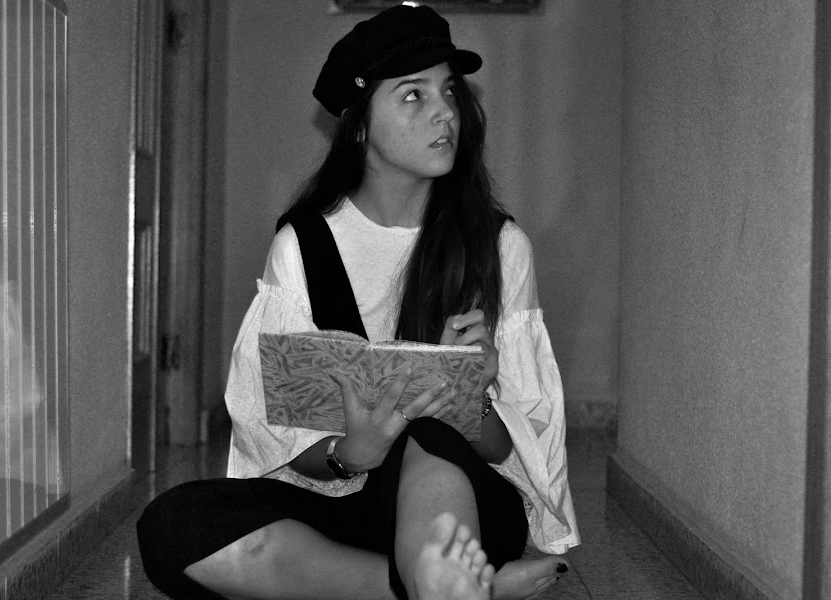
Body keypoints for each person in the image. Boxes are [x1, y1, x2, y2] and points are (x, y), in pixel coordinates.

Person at [137, 5, 579, 600]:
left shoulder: (499, 248)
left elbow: (520, 450)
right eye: (414, 95)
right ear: (361, 125)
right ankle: (438, 589)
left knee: (430, 430)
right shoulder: (301, 246)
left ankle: (436, 577)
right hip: (345, 506)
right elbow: (283, 441)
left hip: (463, 503)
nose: (446, 111)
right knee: (171, 527)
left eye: (449, 90)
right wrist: (350, 454)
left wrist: (473, 402)